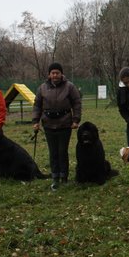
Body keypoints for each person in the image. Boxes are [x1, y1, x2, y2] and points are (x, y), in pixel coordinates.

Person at [32, 62, 82, 191]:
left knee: (62, 151)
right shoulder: (42, 88)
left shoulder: (70, 87)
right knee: (53, 152)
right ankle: (55, 177)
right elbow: (37, 105)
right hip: (48, 123)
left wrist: (76, 120)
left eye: (57, 73)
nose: (55, 75)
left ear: (61, 74)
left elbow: (76, 103)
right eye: (53, 73)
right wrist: (35, 121)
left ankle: (64, 177)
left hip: (65, 123)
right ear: (49, 74)